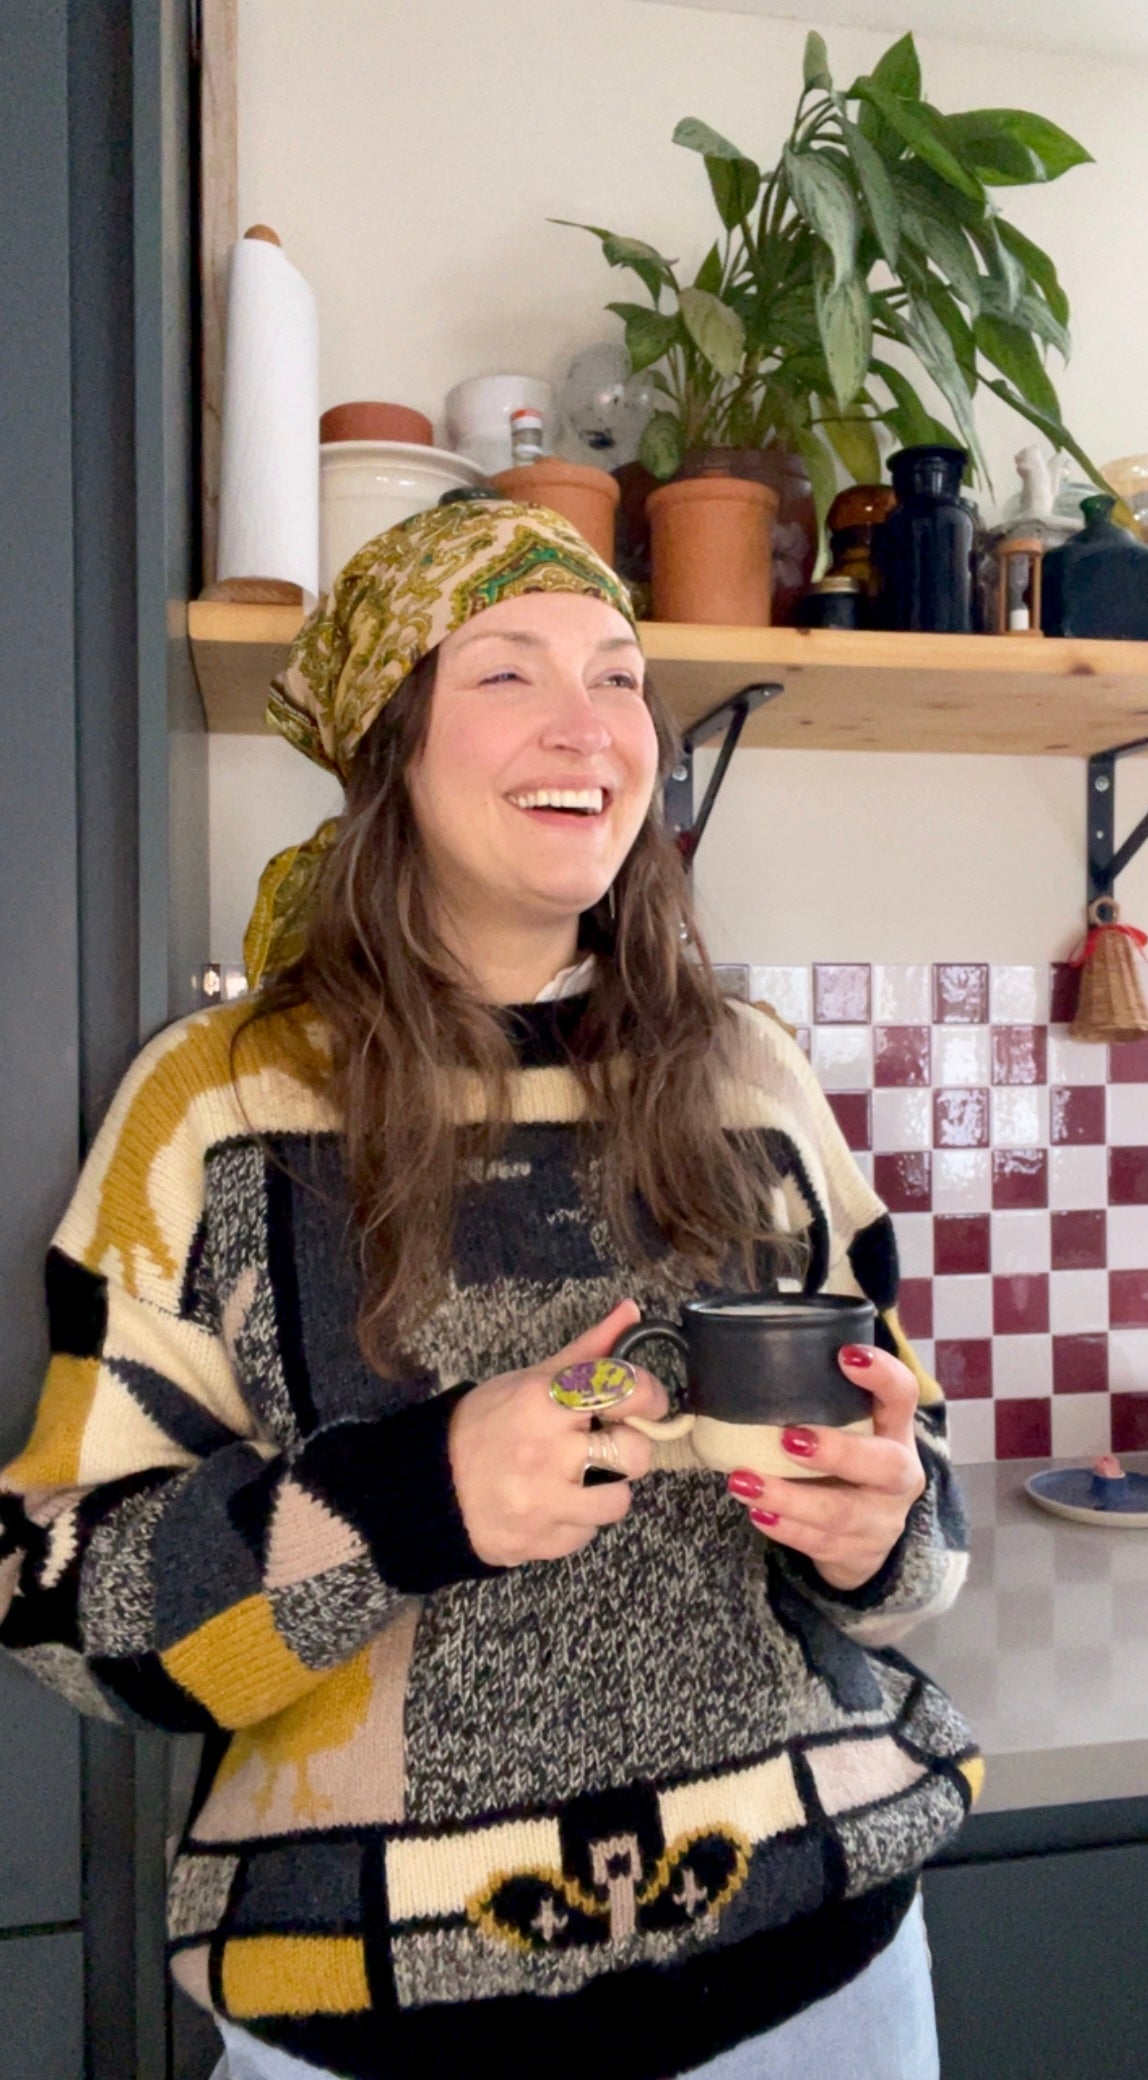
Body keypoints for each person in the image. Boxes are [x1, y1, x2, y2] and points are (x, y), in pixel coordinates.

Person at [0, 500, 979, 2080]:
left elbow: (916, 1473)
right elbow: (57, 1595)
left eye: (617, 676)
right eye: (507, 672)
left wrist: (883, 1530)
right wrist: (410, 1499)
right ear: (387, 747)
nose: (588, 727)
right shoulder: (218, 1104)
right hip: (376, 2011)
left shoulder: (752, 1074)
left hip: (827, 1963)